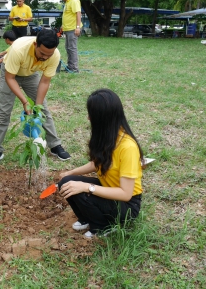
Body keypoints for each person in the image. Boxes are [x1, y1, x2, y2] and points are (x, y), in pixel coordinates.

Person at [57, 88, 144, 238]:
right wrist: (70, 173)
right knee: (67, 182)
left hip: (127, 206)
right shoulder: (108, 137)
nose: (89, 118)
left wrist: (87, 187)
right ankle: (86, 218)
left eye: (92, 114)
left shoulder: (128, 147)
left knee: (82, 191)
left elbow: (125, 194)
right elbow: (96, 164)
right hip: (108, 188)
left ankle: (103, 227)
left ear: (102, 118)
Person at [0, 29, 71, 167]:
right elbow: (10, 78)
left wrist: (37, 106)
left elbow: (45, 81)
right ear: (35, 45)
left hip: (31, 74)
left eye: (48, 55)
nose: (45, 58)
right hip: (10, 73)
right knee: (4, 112)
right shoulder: (18, 49)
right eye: (42, 53)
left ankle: (55, 145)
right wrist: (25, 102)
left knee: (43, 110)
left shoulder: (54, 55)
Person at [61, 0, 82, 73]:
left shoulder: (74, 0)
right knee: (68, 48)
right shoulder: (68, 2)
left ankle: (74, 68)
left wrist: (77, 27)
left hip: (72, 29)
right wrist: (63, 25)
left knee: (72, 48)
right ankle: (70, 67)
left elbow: (78, 13)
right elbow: (68, 14)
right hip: (67, 28)